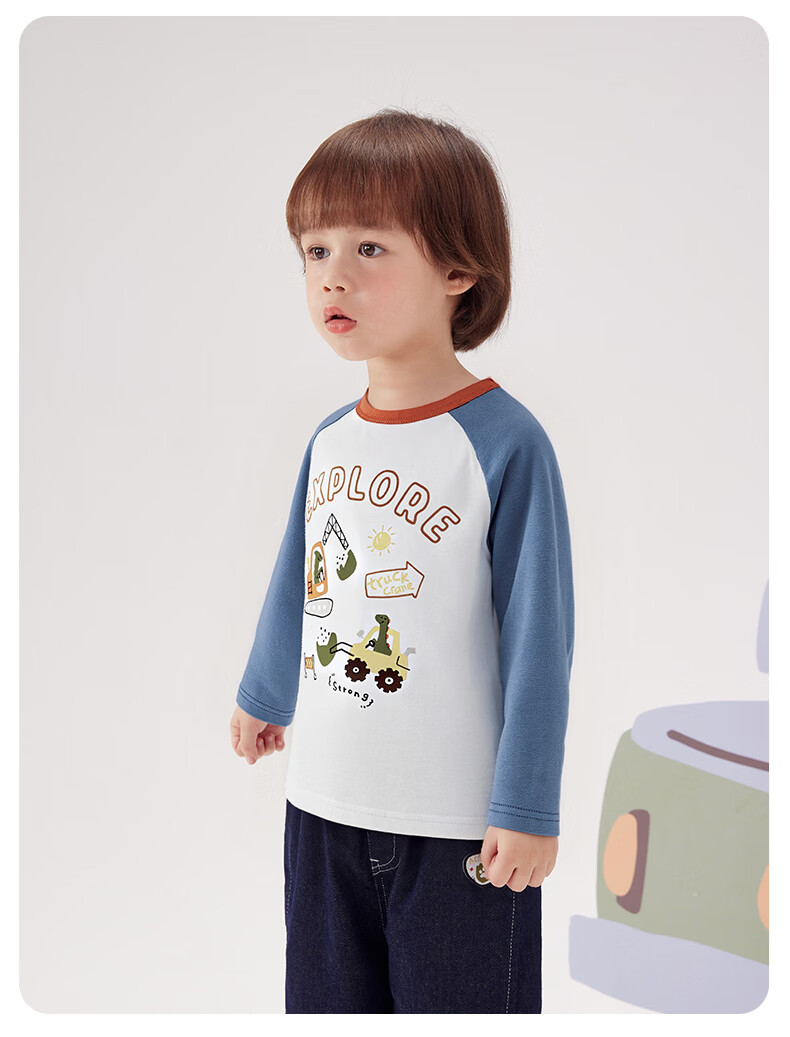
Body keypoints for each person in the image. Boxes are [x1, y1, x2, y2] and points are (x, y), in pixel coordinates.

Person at [229, 108, 575, 1014]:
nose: (332, 275)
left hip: (459, 832)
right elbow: (300, 576)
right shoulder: (330, 439)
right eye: (315, 250)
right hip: (322, 810)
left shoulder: (506, 443)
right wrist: (266, 690)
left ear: (458, 269)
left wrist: (528, 805)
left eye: (370, 247)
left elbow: (539, 640)